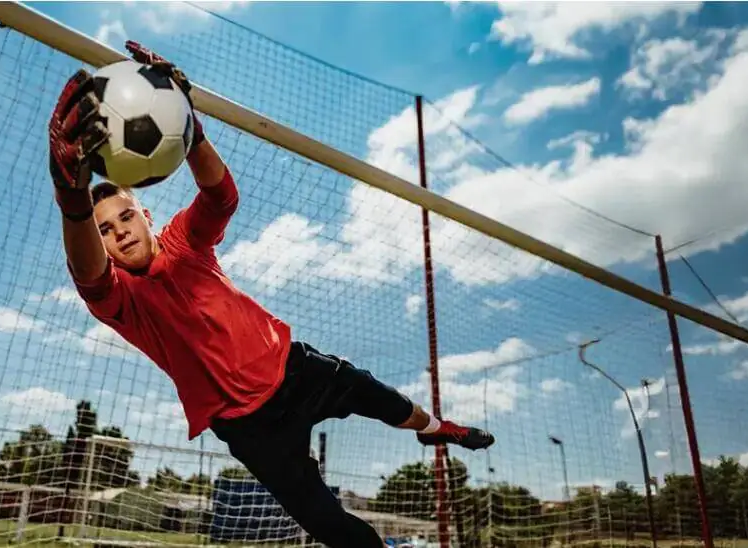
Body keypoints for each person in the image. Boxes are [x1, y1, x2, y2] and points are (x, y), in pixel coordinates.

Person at [47, 41, 495, 548]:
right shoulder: (121, 298)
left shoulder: (182, 240)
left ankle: (434, 426)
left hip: (295, 370)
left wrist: (188, 126)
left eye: (126, 216)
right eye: (105, 230)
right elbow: (90, 275)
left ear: (145, 215)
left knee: (387, 401)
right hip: (252, 430)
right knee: (335, 529)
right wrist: (72, 197)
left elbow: (221, 196)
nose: (120, 231)